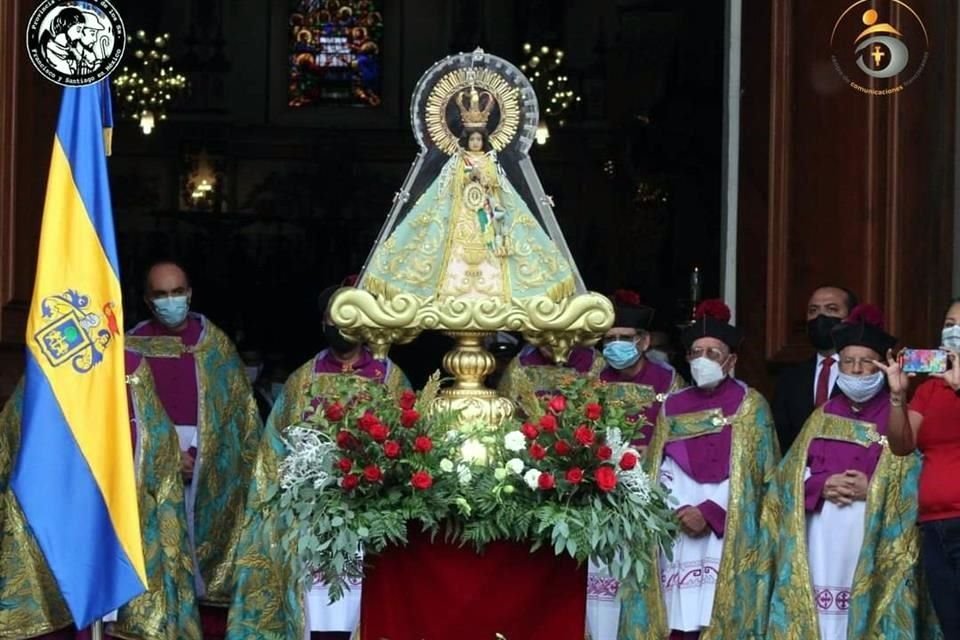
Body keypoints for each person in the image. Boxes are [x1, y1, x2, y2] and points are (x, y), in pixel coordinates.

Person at [227, 285, 410, 640]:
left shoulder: (390, 379)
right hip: (308, 517)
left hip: (367, 515)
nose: (340, 326)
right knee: (315, 605)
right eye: (333, 317)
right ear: (324, 321)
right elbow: (273, 452)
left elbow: (406, 445)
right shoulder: (301, 381)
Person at [763, 305, 940, 639]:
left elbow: (917, 478)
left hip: (869, 541)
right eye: (848, 362)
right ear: (838, 366)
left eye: (866, 362)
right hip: (819, 542)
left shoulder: (902, 417)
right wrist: (820, 484)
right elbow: (783, 480)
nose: (857, 370)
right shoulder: (822, 416)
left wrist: (871, 489)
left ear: (882, 365)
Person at [0, 352, 202, 640]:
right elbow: (18, 431)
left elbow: (153, 430)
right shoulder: (50, 362)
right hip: (62, 499)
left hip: (119, 497)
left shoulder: (131, 365)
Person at [618, 300, 779, 640]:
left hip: (726, 529)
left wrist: (709, 512)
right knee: (677, 619)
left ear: (731, 360)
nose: (703, 359)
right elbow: (658, 468)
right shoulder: (673, 404)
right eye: (696, 352)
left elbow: (756, 475)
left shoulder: (751, 405)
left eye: (713, 352)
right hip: (676, 525)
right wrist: (677, 509)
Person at [127, 259, 262, 635]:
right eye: (161, 294)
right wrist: (162, 457)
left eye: (177, 292)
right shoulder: (130, 344)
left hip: (203, 461)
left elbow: (236, 417)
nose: (171, 301)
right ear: (147, 299)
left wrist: (199, 457)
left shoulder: (214, 345)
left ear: (189, 293)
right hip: (147, 461)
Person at [362, 87, 576, 304]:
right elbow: (449, 185)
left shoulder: (489, 160)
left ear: (484, 141)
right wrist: (467, 175)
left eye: (478, 140)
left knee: (494, 247)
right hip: (460, 213)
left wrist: (483, 178)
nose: (475, 143)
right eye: (472, 140)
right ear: (466, 140)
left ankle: (493, 289)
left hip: (486, 213)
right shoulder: (457, 161)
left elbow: (495, 182)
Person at [588, 291, 682, 640]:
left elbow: (679, 433)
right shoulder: (593, 382)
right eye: (608, 339)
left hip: (649, 493)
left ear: (642, 341)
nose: (615, 346)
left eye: (623, 339)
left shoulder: (669, 381)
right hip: (602, 494)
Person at [876, 297, 960, 639]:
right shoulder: (929, 389)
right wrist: (898, 396)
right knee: (951, 623)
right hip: (934, 525)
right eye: (949, 323)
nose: (952, 331)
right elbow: (901, 444)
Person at [773, 286, 858, 453]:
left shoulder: (867, 374)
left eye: (831, 309)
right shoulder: (789, 379)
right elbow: (779, 437)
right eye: (813, 310)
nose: (820, 317)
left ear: (851, 319)